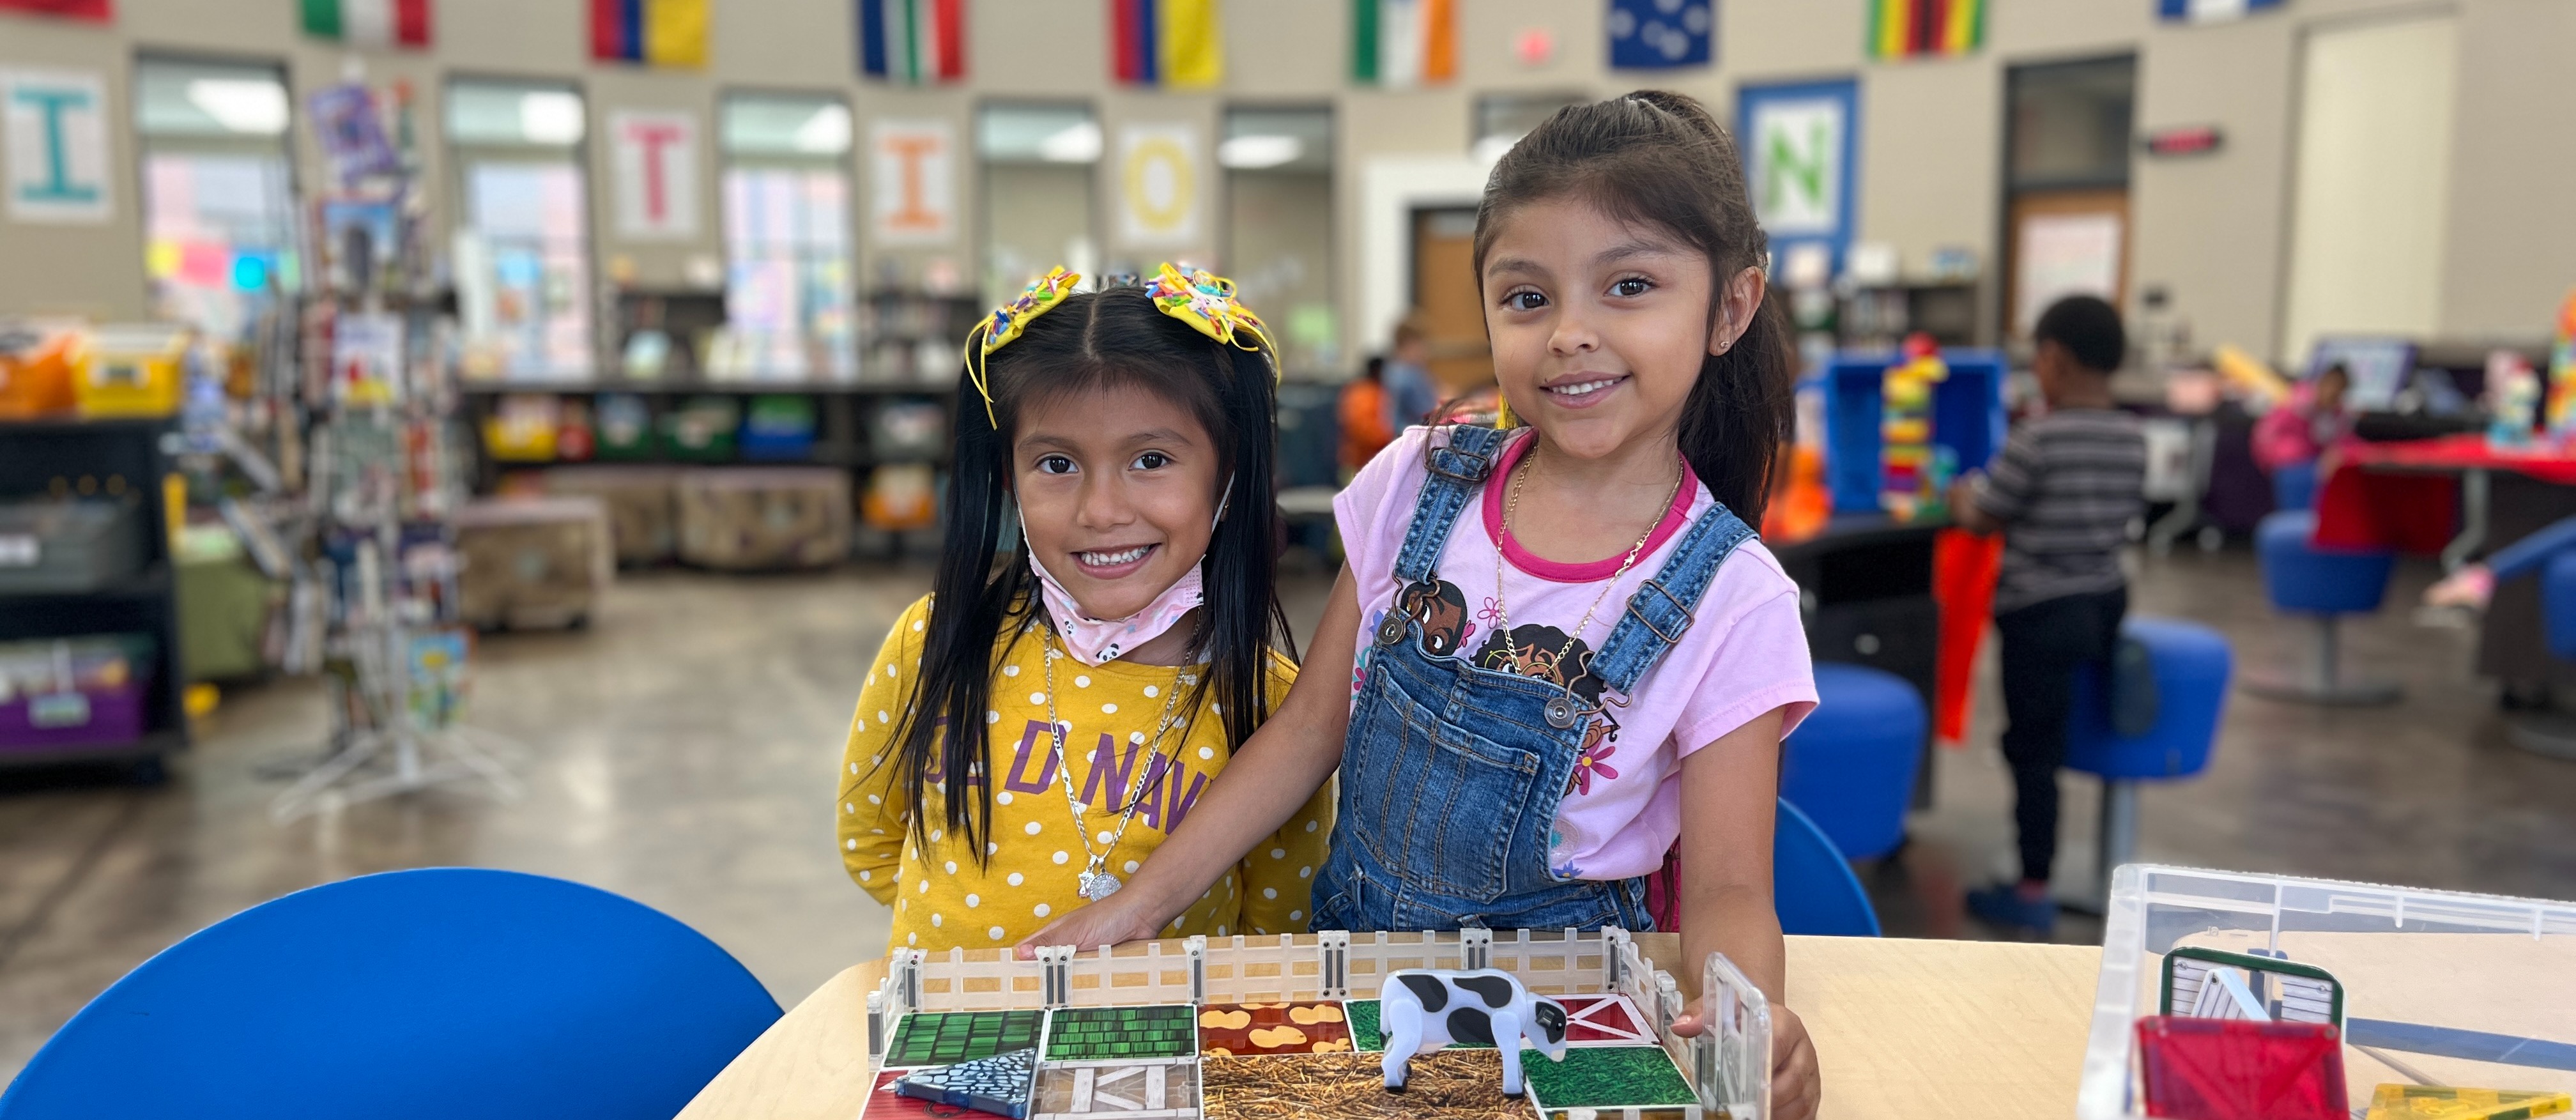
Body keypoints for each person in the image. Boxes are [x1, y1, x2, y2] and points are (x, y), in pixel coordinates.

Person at [1025, 93, 1823, 1119]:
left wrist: (1749, 1016)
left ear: (1730, 307)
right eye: (1526, 299)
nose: (1571, 334)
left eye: (1629, 286)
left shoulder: (1735, 598)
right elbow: (1309, 729)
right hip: (1353, 986)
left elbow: (1724, 893)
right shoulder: (1419, 480)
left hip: (1562, 1018)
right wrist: (1137, 905)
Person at [837, 267, 1332, 951]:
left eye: (1152, 459)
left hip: (1161, 1047)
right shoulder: (934, 638)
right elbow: (871, 839)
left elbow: (1274, 922)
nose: (1102, 511)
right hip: (954, 1038)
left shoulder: (1272, 706)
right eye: (1058, 465)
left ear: (1229, 473)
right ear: (1008, 476)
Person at [1946, 294, 2147, 935]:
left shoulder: (2038, 439)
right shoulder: (2133, 437)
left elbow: (1985, 514)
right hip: (2105, 601)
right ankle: (2112, 693)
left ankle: (2033, 886)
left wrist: (1959, 496)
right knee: (2058, 730)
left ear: (2054, 359)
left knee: (2032, 750)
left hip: (2041, 614)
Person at [2252, 360, 2352, 474]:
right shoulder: (2296, 404)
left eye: (2340, 389)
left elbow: (2343, 441)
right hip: (2288, 463)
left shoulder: (2337, 413)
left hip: (2313, 462)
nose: (2333, 392)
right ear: (2321, 383)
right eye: (2331, 385)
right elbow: (2266, 433)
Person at [1381, 312, 1441, 432]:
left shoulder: (1396, 369)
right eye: (1422, 344)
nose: (1426, 350)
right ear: (1408, 345)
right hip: (1411, 437)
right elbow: (1430, 412)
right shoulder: (1406, 377)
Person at [1338, 355, 1395, 475]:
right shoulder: (1363, 394)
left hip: (1375, 458)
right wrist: (1394, 437)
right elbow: (1364, 430)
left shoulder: (1379, 390)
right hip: (1360, 461)